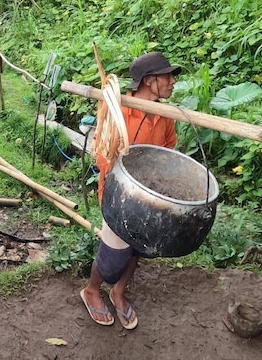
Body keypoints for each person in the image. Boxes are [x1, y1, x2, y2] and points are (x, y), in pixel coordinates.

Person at [80, 51, 180, 330]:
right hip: (118, 195)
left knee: (139, 248)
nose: (173, 82)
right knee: (113, 251)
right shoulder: (118, 110)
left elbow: (168, 150)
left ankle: (118, 292)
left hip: (149, 195)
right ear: (149, 81)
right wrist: (129, 179)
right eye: (168, 76)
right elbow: (103, 153)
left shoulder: (165, 114)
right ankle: (91, 289)